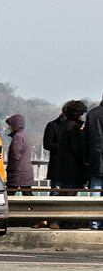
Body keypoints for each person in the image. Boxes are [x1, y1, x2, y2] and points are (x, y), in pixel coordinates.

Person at [56, 100, 88, 228]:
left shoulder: (65, 125)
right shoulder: (74, 128)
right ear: (79, 113)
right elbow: (78, 148)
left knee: (65, 193)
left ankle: (64, 220)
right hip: (73, 169)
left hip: (63, 167)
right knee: (71, 194)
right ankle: (68, 220)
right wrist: (85, 161)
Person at [36, 103, 68, 228]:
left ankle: (65, 220)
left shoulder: (75, 126)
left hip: (69, 167)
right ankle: (53, 220)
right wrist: (63, 147)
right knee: (56, 192)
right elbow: (47, 144)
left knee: (68, 193)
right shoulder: (53, 125)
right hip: (57, 165)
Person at [83, 95, 103, 230]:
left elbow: (86, 138)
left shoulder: (93, 114)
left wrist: (86, 158)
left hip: (96, 156)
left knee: (95, 190)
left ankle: (94, 222)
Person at [5, 114, 34, 196]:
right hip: (25, 171)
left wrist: (10, 167)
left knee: (9, 193)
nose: (9, 128)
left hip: (17, 170)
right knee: (27, 192)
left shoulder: (17, 137)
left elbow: (15, 153)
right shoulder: (24, 135)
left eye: (9, 125)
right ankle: (33, 208)